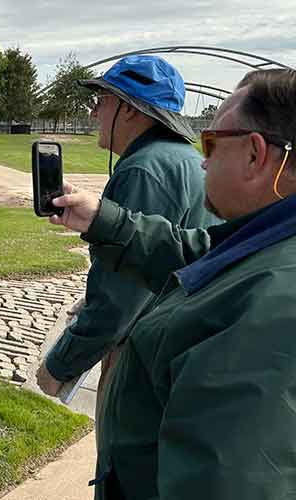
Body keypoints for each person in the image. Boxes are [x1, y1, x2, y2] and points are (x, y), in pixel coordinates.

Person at [48, 68, 296, 499]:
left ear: (256, 155)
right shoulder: (269, 247)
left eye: (212, 142)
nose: (202, 160)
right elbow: (201, 253)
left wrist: (61, 365)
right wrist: (104, 220)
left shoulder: (269, 308)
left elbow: (229, 480)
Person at [35, 55, 218, 404]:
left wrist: (60, 365)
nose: (93, 113)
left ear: (130, 109)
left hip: (144, 360)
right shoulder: (188, 159)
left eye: (101, 101)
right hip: (183, 351)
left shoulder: (143, 170)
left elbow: (121, 297)